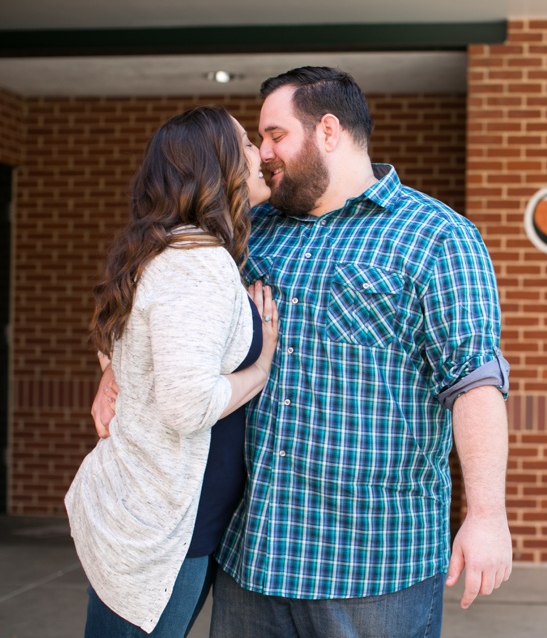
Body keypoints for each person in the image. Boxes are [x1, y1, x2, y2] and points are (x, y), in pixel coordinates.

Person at [92, 67, 513, 637]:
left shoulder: (437, 236)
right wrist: (115, 373)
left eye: (274, 135)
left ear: (329, 130)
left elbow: (474, 381)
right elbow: (159, 301)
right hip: (252, 556)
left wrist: (487, 515)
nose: (262, 153)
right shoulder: (247, 229)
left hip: (373, 564)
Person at [69, 106, 279, 637]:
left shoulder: (173, 249)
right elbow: (185, 405)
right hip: (165, 531)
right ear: (217, 165)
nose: (260, 154)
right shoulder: (197, 260)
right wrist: (261, 367)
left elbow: (134, 341)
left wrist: (112, 373)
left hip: (161, 515)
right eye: (247, 144)